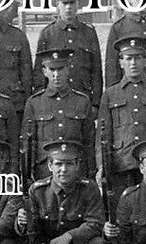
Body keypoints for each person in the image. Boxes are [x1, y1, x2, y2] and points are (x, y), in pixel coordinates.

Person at [100, 35, 146, 191]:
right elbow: (103, 134)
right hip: (122, 163)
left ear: (145, 61)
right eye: (128, 59)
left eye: (138, 58)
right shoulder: (110, 94)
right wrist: (102, 164)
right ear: (121, 62)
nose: (133, 63)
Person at [21, 48, 95, 179]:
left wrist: (90, 173)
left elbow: (89, 142)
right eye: (52, 70)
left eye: (60, 69)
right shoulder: (34, 103)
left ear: (68, 69)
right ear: (44, 71)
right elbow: (29, 144)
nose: (56, 74)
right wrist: (27, 174)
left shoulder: (82, 101)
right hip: (44, 171)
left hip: (75, 171)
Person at [33, 0, 102, 109]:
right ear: (58, 6)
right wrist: (39, 102)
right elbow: (39, 72)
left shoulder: (89, 33)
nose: (68, 7)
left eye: (72, 3)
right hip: (54, 99)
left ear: (77, 5)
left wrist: (96, 103)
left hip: (83, 97)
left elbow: (96, 70)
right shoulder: (47, 33)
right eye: (64, 3)